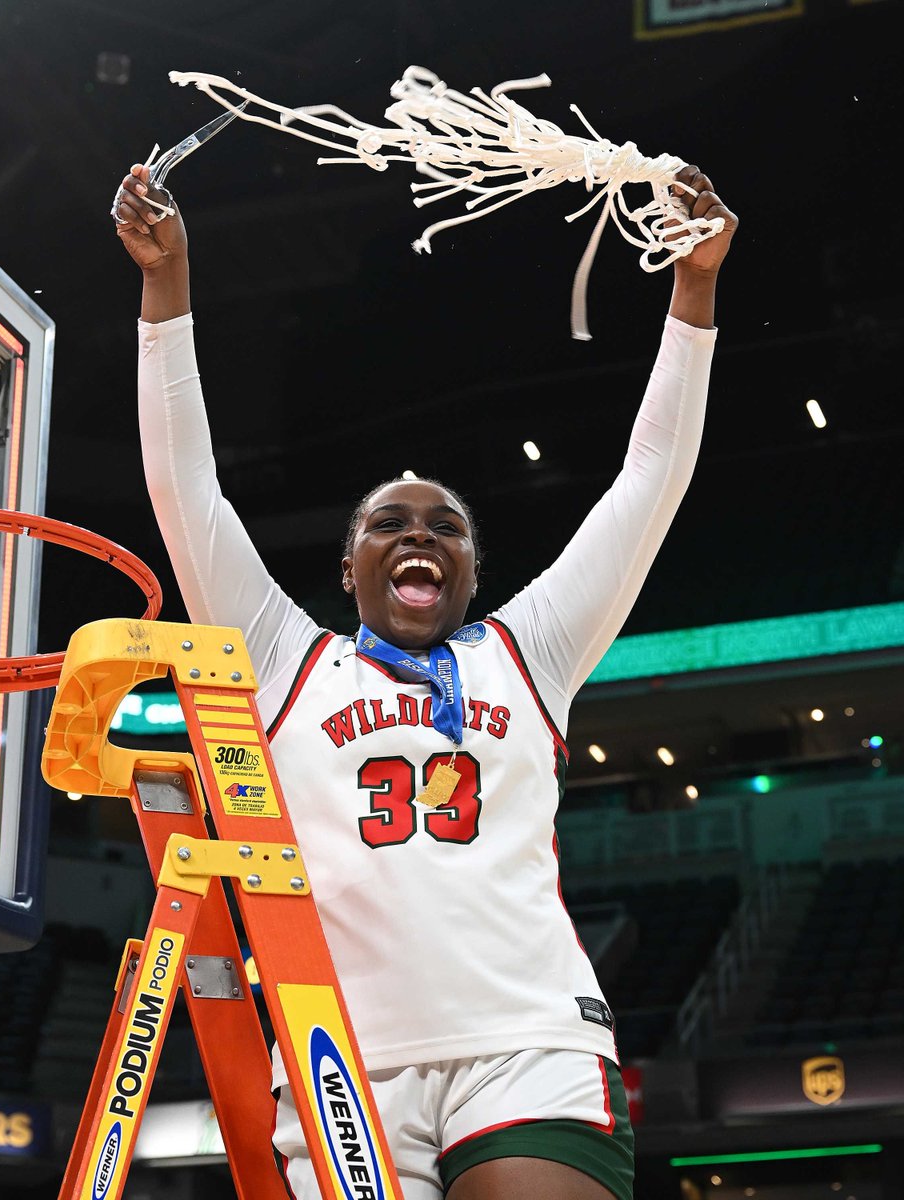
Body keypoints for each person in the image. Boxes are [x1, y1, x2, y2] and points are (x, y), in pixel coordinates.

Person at [112, 157, 737, 1200]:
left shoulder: (529, 650)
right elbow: (186, 490)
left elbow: (650, 479)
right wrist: (164, 289)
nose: (419, 536)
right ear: (348, 566)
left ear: (473, 571)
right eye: (387, 525)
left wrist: (697, 287)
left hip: (527, 1042)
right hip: (339, 1061)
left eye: (445, 526)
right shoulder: (281, 653)